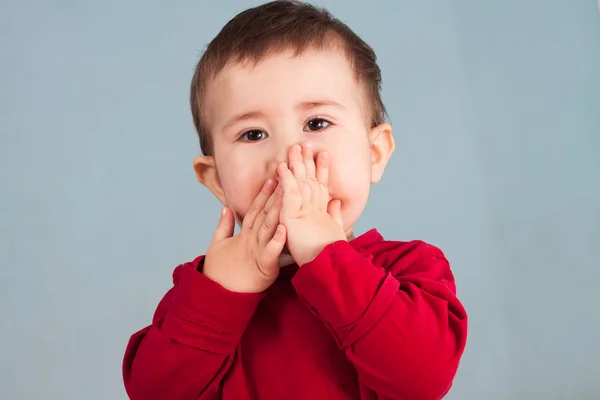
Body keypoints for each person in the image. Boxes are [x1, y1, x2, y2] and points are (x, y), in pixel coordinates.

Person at [122, 1, 468, 399]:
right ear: (215, 179)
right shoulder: (205, 291)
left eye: (316, 123)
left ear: (374, 153)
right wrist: (221, 293)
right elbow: (153, 392)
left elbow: (420, 380)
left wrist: (327, 255)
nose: (289, 155)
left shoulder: (410, 270)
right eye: (253, 134)